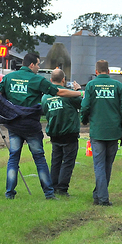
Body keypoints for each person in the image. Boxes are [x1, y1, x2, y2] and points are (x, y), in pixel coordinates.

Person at [0, 53, 82, 200]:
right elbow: (59, 91)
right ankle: (49, 193)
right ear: (31, 65)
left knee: (13, 158)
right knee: (39, 158)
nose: (38, 67)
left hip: (14, 124)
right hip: (30, 125)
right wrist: (78, 92)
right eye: (38, 64)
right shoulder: (37, 79)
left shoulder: (9, 77)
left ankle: (9, 193)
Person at [80, 59, 122, 206]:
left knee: (99, 165)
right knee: (108, 165)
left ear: (96, 71)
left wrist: (84, 120)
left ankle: (101, 197)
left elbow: (85, 106)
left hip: (98, 131)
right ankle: (99, 195)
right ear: (108, 71)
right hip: (114, 131)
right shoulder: (118, 85)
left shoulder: (91, 85)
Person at [41, 68, 82, 197]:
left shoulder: (45, 97)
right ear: (63, 80)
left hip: (54, 133)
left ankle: (53, 185)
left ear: (51, 80)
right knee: (68, 162)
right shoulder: (69, 95)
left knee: (56, 161)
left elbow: (44, 112)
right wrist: (78, 90)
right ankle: (62, 188)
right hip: (69, 133)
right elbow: (82, 103)